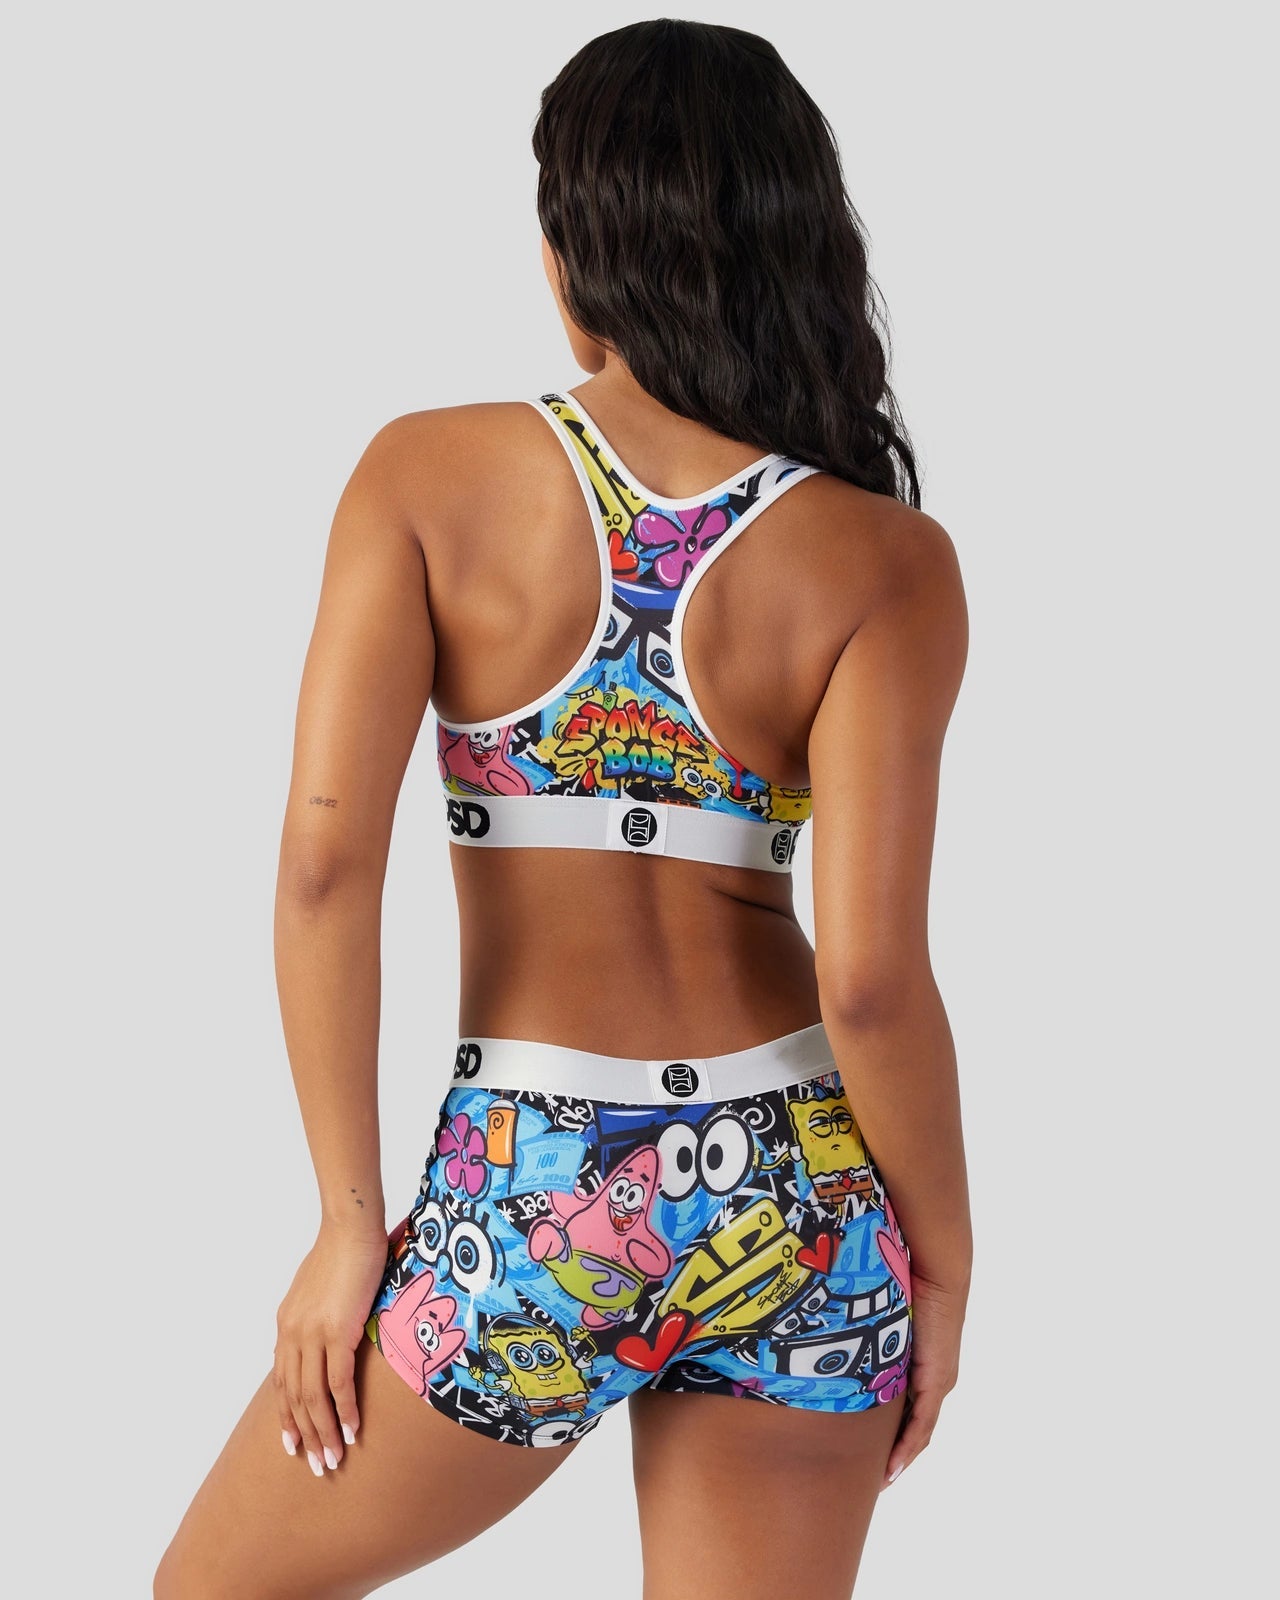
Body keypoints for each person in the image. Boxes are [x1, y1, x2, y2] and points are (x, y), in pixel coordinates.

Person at [155, 19, 970, 1599]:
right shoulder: (885, 560)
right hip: (803, 1197)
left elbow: (325, 867)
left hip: (532, 1194)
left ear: (568, 249)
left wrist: (347, 1223)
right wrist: (939, 1258)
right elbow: (873, 983)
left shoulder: (426, 476)